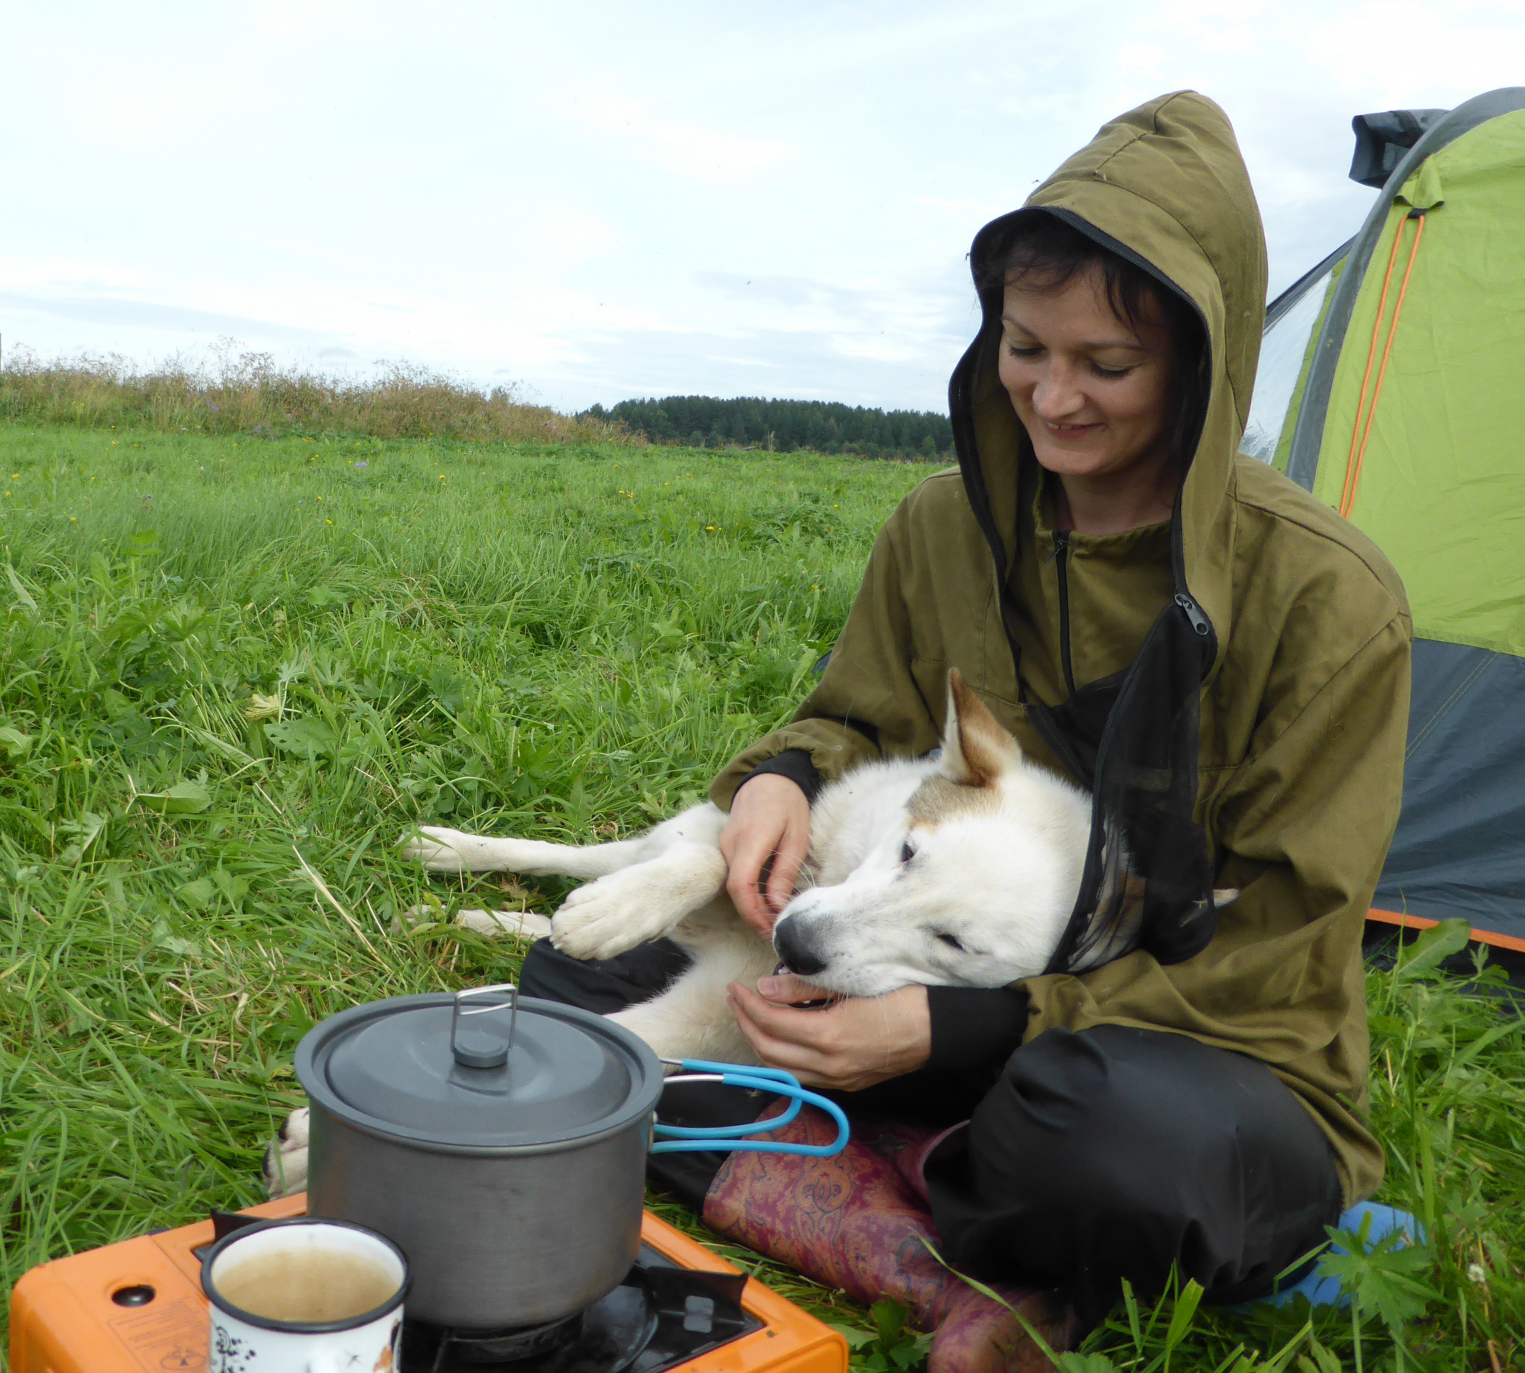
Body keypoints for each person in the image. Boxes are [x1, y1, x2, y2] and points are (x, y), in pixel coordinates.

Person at [518, 93, 1413, 1372]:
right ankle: (950, 1202)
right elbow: (852, 717)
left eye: (1107, 365)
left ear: (1206, 368)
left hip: (1178, 1045)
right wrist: (779, 778)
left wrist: (973, 1031)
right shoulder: (942, 526)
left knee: (1109, 1149)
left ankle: (932, 1154)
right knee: (588, 970)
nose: (1054, 398)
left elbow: (1273, 950)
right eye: (1025, 345)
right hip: (907, 968)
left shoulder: (1327, 598)